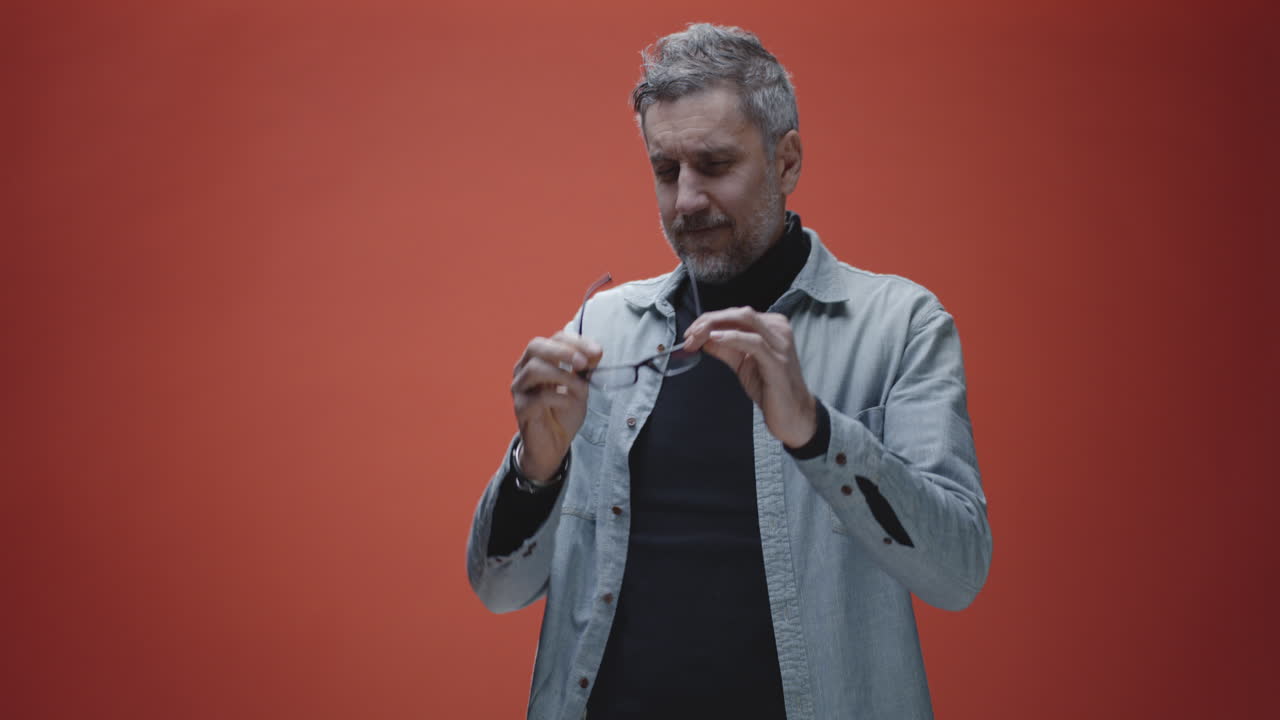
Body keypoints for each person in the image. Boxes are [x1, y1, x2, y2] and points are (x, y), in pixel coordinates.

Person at [466, 23, 991, 720]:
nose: (686, 200)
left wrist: (814, 430)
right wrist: (536, 471)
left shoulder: (900, 326)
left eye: (714, 165)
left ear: (788, 161)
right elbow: (498, 589)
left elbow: (957, 574)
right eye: (665, 170)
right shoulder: (602, 327)